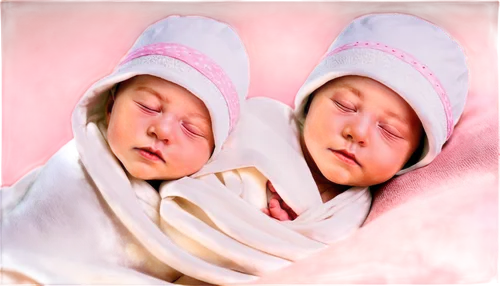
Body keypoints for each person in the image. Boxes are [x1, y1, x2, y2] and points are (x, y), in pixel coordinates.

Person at [1, 15, 250, 284]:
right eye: (148, 107)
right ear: (110, 105)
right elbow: (65, 163)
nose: (162, 130)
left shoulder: (208, 201)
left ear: (214, 151)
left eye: (191, 129)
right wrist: (73, 156)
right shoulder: (79, 153)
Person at [263, 13, 470, 221]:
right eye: (345, 105)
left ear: (412, 157)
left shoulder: (355, 220)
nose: (357, 132)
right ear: (312, 96)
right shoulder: (258, 126)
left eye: (390, 130)